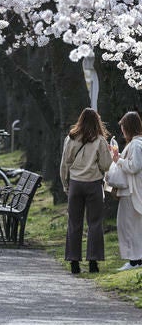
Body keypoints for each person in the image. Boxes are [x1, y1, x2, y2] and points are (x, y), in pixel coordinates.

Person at [60, 108, 112, 274]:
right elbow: (106, 165)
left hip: (75, 183)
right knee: (95, 223)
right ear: (97, 121)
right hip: (93, 184)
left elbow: (64, 164)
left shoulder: (71, 138)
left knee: (74, 223)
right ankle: (93, 261)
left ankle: (74, 261)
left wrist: (65, 184)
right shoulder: (100, 140)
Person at [111, 111, 142, 271]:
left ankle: (135, 260)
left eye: (123, 127)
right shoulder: (136, 143)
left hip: (131, 191)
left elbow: (134, 166)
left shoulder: (136, 144)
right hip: (130, 191)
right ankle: (135, 258)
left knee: (129, 226)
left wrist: (118, 160)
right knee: (129, 225)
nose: (122, 130)